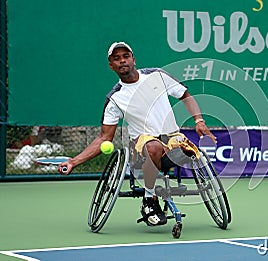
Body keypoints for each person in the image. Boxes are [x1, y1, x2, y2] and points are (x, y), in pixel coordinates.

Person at [59, 41, 216, 226]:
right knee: (153, 146)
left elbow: (185, 96)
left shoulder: (157, 75)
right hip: (142, 149)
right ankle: (149, 199)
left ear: (134, 59)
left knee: (191, 150)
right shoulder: (115, 98)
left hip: (173, 141)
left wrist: (199, 120)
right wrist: (73, 162)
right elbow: (104, 138)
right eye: (116, 59)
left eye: (126, 56)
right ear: (111, 66)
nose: (122, 61)